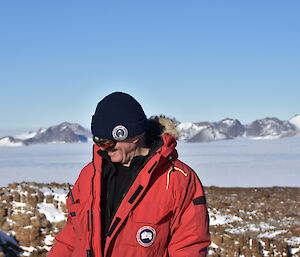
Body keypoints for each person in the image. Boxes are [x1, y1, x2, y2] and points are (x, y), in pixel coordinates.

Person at [48, 92, 210, 257]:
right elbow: (72, 236)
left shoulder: (178, 179)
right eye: (98, 142)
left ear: (133, 136)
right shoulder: (89, 175)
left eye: (108, 142)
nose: (103, 148)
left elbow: (189, 247)